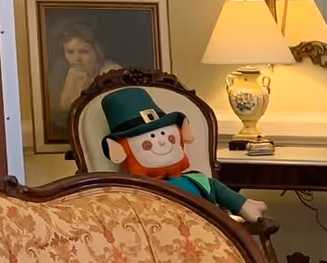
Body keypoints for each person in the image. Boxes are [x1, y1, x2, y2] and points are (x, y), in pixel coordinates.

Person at [99, 86, 267, 222]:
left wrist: (243, 205)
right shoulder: (135, 191)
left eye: (169, 137)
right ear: (118, 151)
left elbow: (221, 193)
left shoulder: (198, 181)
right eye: (149, 141)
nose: (163, 142)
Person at [54, 20, 119, 132]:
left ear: (98, 51)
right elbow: (64, 108)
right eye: (70, 52)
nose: (77, 58)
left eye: (84, 52)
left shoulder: (112, 72)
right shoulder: (73, 72)